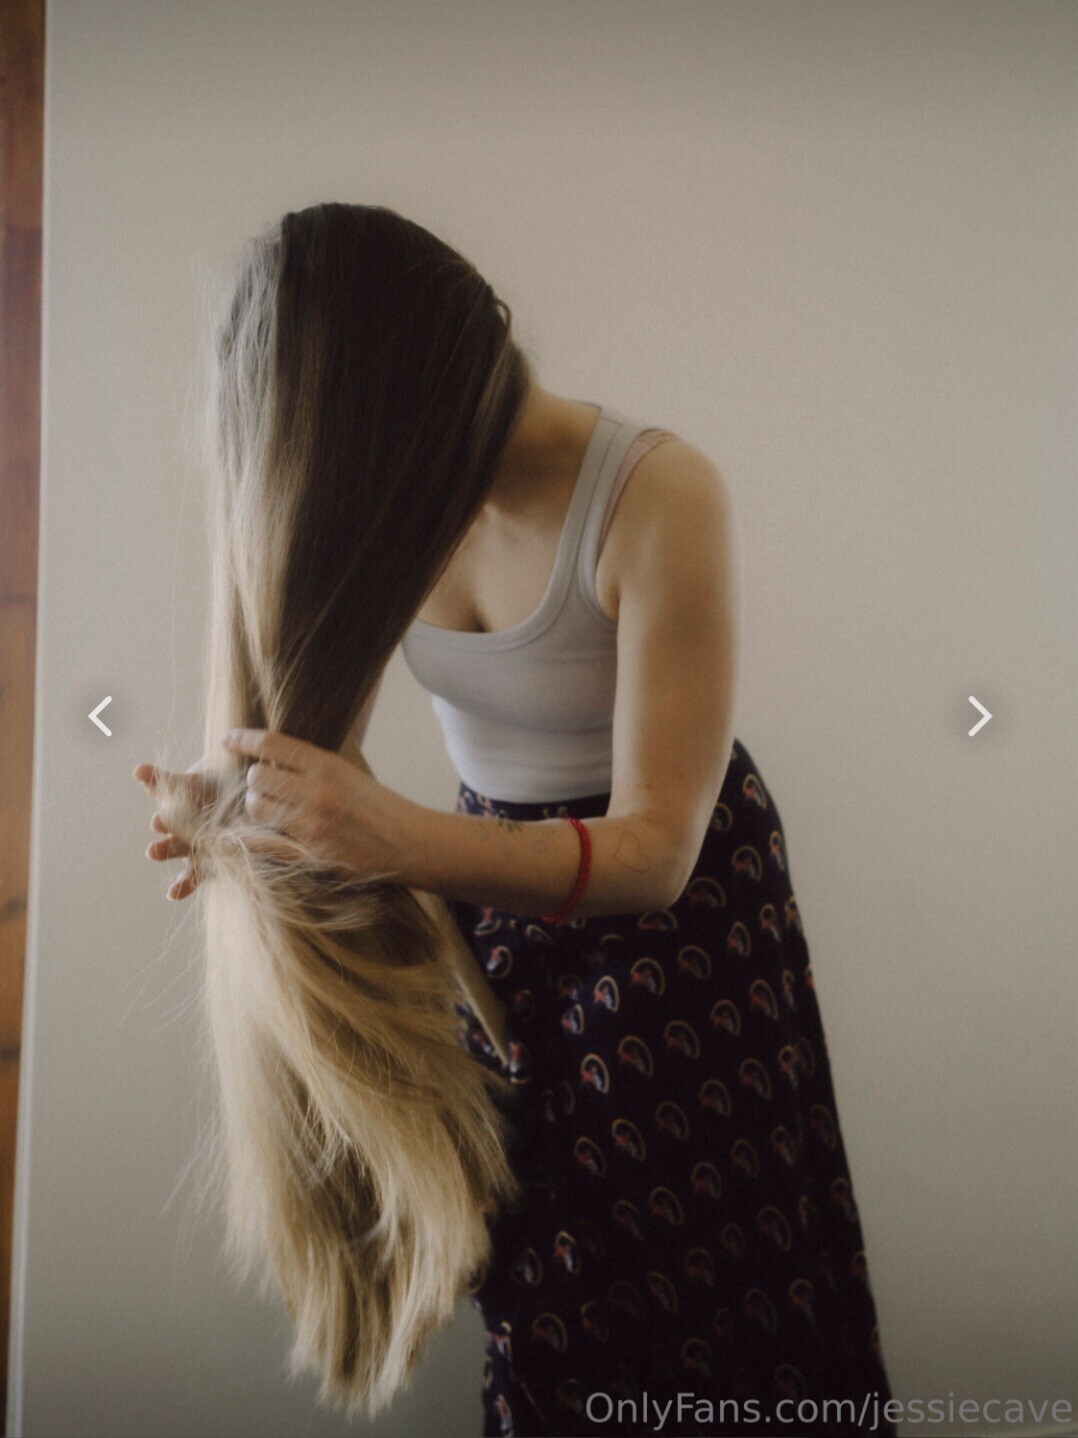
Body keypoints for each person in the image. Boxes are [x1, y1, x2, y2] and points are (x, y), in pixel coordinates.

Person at [137, 205, 894, 1437]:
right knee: (545, 1287)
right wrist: (239, 811)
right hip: (492, 902)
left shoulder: (656, 492)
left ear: (394, 406)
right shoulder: (399, 500)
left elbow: (656, 852)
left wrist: (391, 838)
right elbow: (326, 750)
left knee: (710, 1269)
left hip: (685, 931)